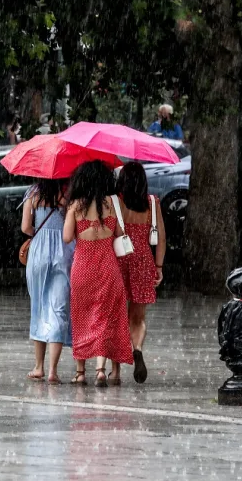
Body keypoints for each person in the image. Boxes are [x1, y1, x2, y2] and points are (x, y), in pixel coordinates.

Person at [63, 160, 132, 387]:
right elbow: (120, 233)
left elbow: (66, 237)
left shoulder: (75, 206)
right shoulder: (113, 205)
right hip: (108, 269)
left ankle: (80, 372)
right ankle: (101, 369)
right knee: (104, 317)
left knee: (82, 317)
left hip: (83, 269)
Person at [114, 162, 166, 384]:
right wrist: (159, 266)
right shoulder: (152, 204)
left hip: (120, 260)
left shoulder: (117, 203)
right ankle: (136, 348)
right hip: (144, 261)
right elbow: (161, 238)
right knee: (138, 317)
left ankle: (114, 370)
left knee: (116, 316)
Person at [21, 178, 75, 384]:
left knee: (39, 307)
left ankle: (39, 367)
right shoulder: (67, 195)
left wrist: (40, 234)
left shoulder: (32, 193)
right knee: (59, 309)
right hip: (64, 252)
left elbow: (25, 226)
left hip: (39, 253)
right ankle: (53, 370)